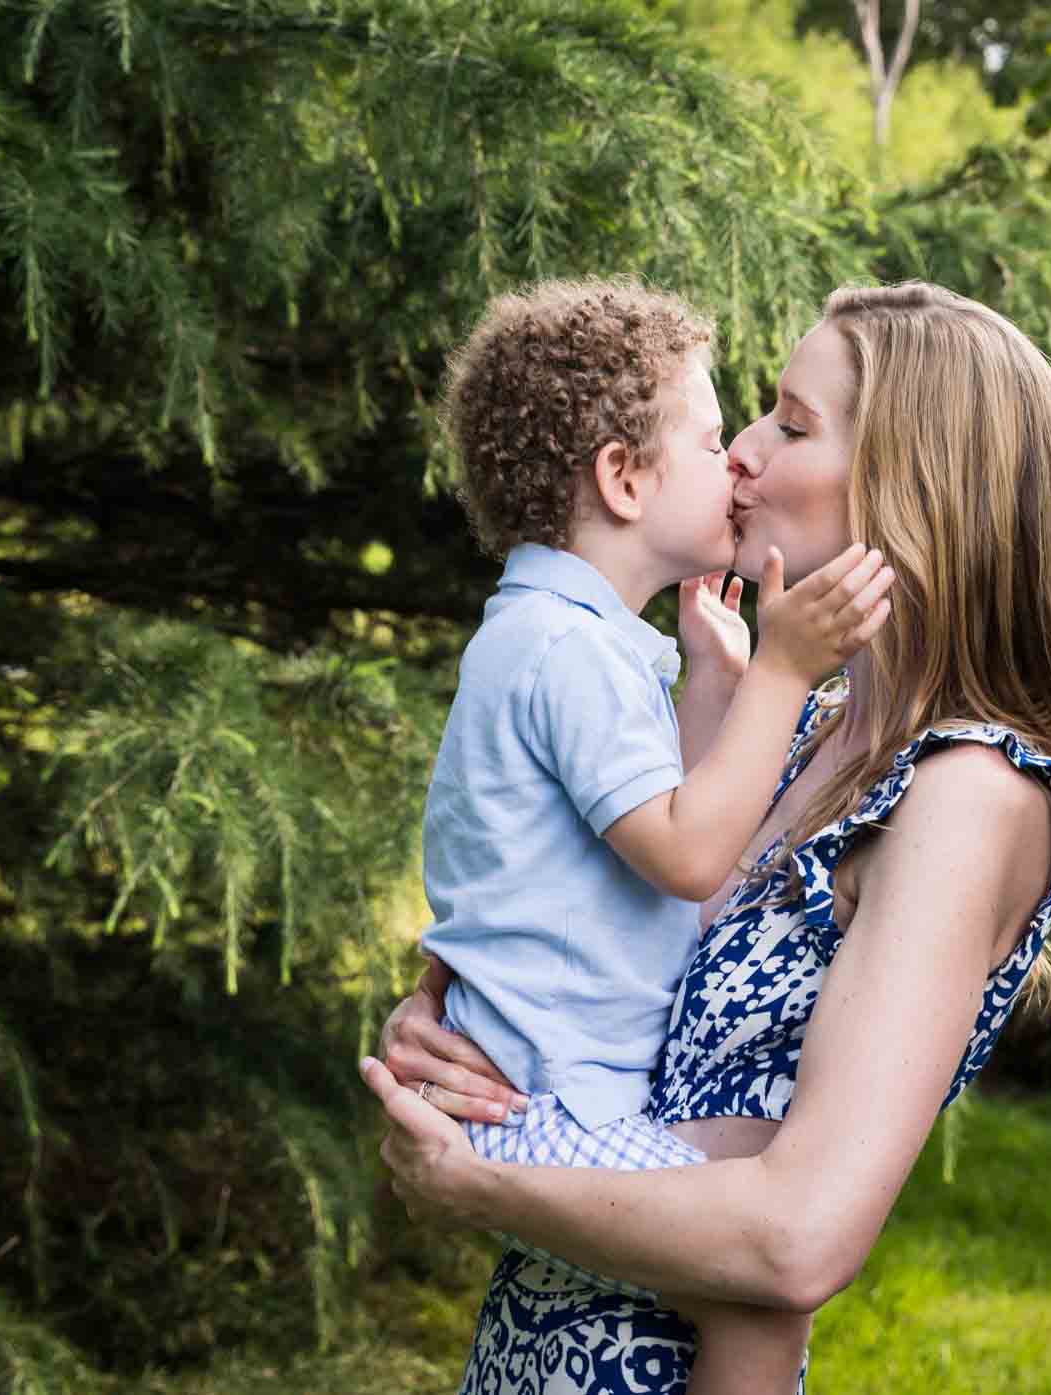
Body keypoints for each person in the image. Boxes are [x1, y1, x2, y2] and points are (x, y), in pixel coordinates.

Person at [363, 281, 1051, 1395]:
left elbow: (798, 1238)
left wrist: (474, 1179)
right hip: (536, 1349)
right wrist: (450, 1021)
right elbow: (605, 931)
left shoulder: (968, 789)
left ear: (907, 480)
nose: (742, 456)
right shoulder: (799, 729)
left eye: (789, 422)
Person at [417, 279, 894, 1395]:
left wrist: (710, 685)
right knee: (758, 1293)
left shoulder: (567, 639)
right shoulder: (561, 653)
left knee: (775, 1173)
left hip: (555, 1092)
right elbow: (687, 855)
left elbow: (660, 830)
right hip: (546, 1106)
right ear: (622, 480)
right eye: (705, 433)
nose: (734, 458)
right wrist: (781, 672)